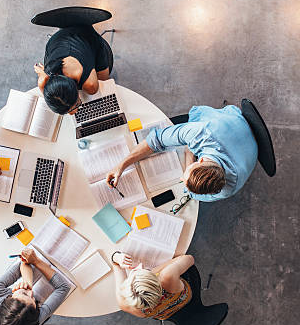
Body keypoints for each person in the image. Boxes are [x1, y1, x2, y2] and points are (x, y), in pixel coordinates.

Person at [106, 105, 258, 202]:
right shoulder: (200, 133)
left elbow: (193, 194)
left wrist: (188, 156)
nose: (181, 177)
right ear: (201, 159)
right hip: (230, 123)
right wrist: (121, 165)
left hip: (236, 127)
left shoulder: (226, 189)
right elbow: (155, 140)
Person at [0, 248, 71, 325]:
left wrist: (28, 283)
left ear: (9, 296)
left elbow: (22, 263)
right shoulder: (32, 322)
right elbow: (64, 287)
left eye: (24, 293)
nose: (31, 292)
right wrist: (36, 261)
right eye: (33, 299)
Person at [34, 25, 113, 114]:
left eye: (76, 105)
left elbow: (103, 84)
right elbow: (46, 89)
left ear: (76, 91)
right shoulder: (44, 81)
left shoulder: (91, 85)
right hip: (58, 39)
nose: (73, 113)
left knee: (104, 82)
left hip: (87, 36)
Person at [111, 252, 194, 319]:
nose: (140, 266)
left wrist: (116, 257)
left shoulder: (123, 302)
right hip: (184, 298)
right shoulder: (167, 276)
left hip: (164, 314)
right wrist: (161, 268)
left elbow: (115, 264)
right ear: (157, 280)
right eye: (145, 270)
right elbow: (189, 259)